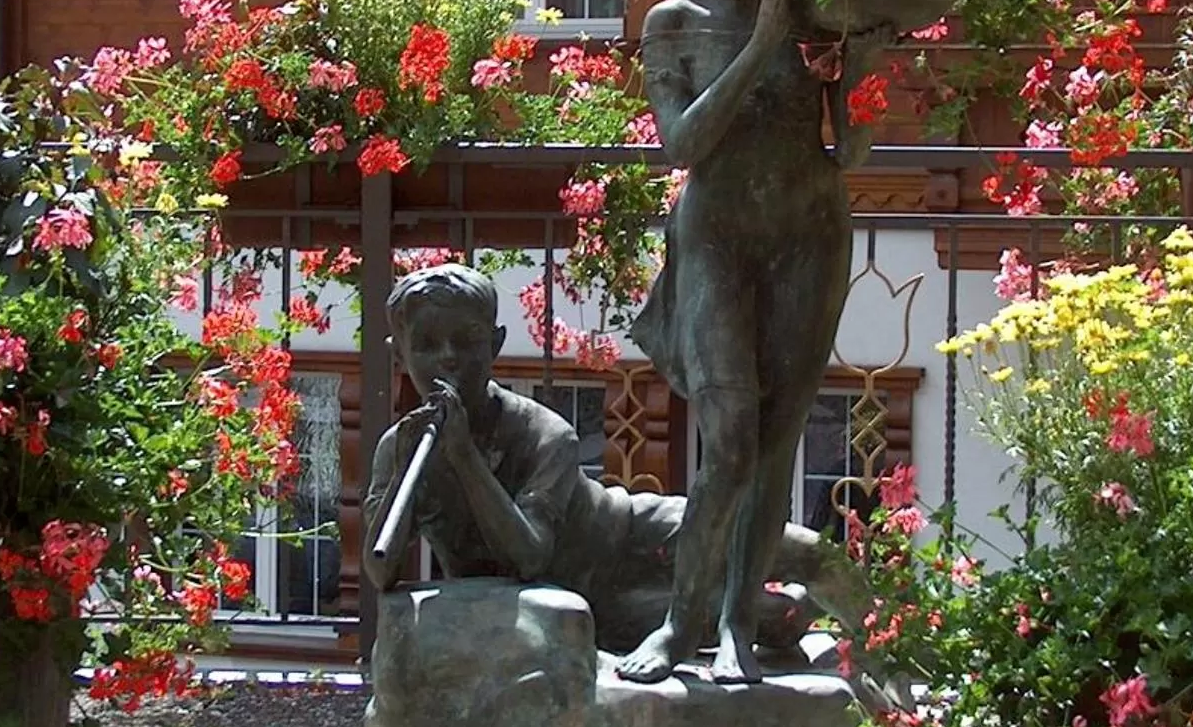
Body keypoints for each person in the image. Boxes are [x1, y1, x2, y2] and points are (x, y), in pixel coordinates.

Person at [616, 0, 907, 683]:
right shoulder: (675, 21)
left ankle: (743, 621)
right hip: (717, 236)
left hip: (809, 229)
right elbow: (682, 144)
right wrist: (762, 47)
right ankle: (683, 625)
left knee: (779, 440)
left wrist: (862, 72)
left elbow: (842, 149)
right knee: (732, 443)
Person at [360, 264, 866, 659]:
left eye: (466, 342)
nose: (447, 359)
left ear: (493, 346)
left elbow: (529, 551)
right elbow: (380, 571)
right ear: (399, 358)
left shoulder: (544, 433)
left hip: (627, 531)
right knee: (773, 616)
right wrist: (429, 462)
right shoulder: (400, 450)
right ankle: (805, 626)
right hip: (589, 603)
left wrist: (465, 459)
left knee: (804, 551)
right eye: (426, 346)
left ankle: (900, 655)